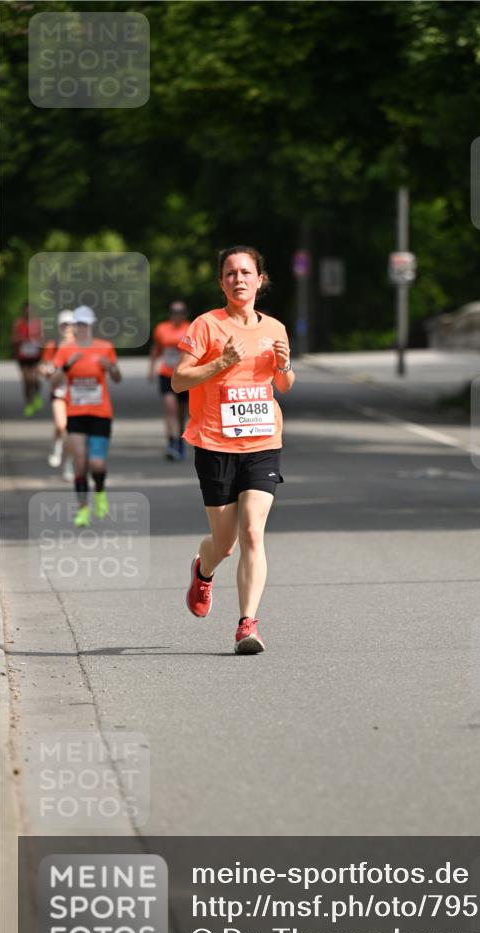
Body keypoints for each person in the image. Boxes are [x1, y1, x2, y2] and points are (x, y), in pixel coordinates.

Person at [171, 246, 295, 654]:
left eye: (245, 272)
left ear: (260, 280)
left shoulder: (275, 328)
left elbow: (285, 385)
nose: (238, 279)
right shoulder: (207, 326)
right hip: (214, 444)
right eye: (230, 273)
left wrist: (284, 367)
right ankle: (203, 571)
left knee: (253, 533)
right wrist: (221, 362)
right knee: (224, 543)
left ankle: (247, 625)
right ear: (221, 282)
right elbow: (179, 381)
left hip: (262, 443)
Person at [51, 305, 122, 527]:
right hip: (76, 413)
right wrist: (65, 367)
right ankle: (83, 508)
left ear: (91, 325)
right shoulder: (65, 350)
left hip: (100, 413)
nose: (81, 328)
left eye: (85, 324)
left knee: (97, 463)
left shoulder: (105, 347)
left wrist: (110, 367)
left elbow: (118, 377)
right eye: (78, 324)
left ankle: (99, 492)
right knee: (80, 462)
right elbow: (53, 383)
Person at [148, 300, 190, 460]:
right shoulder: (161, 329)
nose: (176, 315)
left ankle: (179, 438)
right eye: (173, 311)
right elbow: (156, 348)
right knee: (170, 409)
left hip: (184, 376)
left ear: (185, 314)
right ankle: (171, 442)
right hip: (166, 374)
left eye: (180, 311)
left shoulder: (190, 328)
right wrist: (151, 368)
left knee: (181, 412)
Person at [40, 310, 76, 469]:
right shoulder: (52, 345)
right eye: (64, 324)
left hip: (77, 393)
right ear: (59, 327)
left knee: (72, 431)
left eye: (70, 324)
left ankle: (69, 463)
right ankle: (57, 446)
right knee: (61, 426)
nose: (67, 327)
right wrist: (45, 370)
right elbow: (43, 366)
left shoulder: (82, 345)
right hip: (59, 391)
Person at [11, 303, 43, 417]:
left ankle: (37, 394)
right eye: (26, 310)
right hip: (23, 356)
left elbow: (43, 337)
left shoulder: (37, 323)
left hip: (35, 356)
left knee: (34, 379)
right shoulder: (18, 323)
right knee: (26, 380)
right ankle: (29, 404)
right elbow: (13, 338)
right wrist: (22, 339)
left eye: (30, 310)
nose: (28, 313)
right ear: (23, 311)